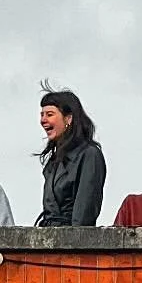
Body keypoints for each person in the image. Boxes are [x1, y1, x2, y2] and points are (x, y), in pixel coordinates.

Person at [36, 88, 105, 227]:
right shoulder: (53, 162)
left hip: (70, 241)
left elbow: (85, 213)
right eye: (42, 114)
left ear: (68, 119)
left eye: (49, 114)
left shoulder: (89, 155)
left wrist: (72, 246)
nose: (43, 120)